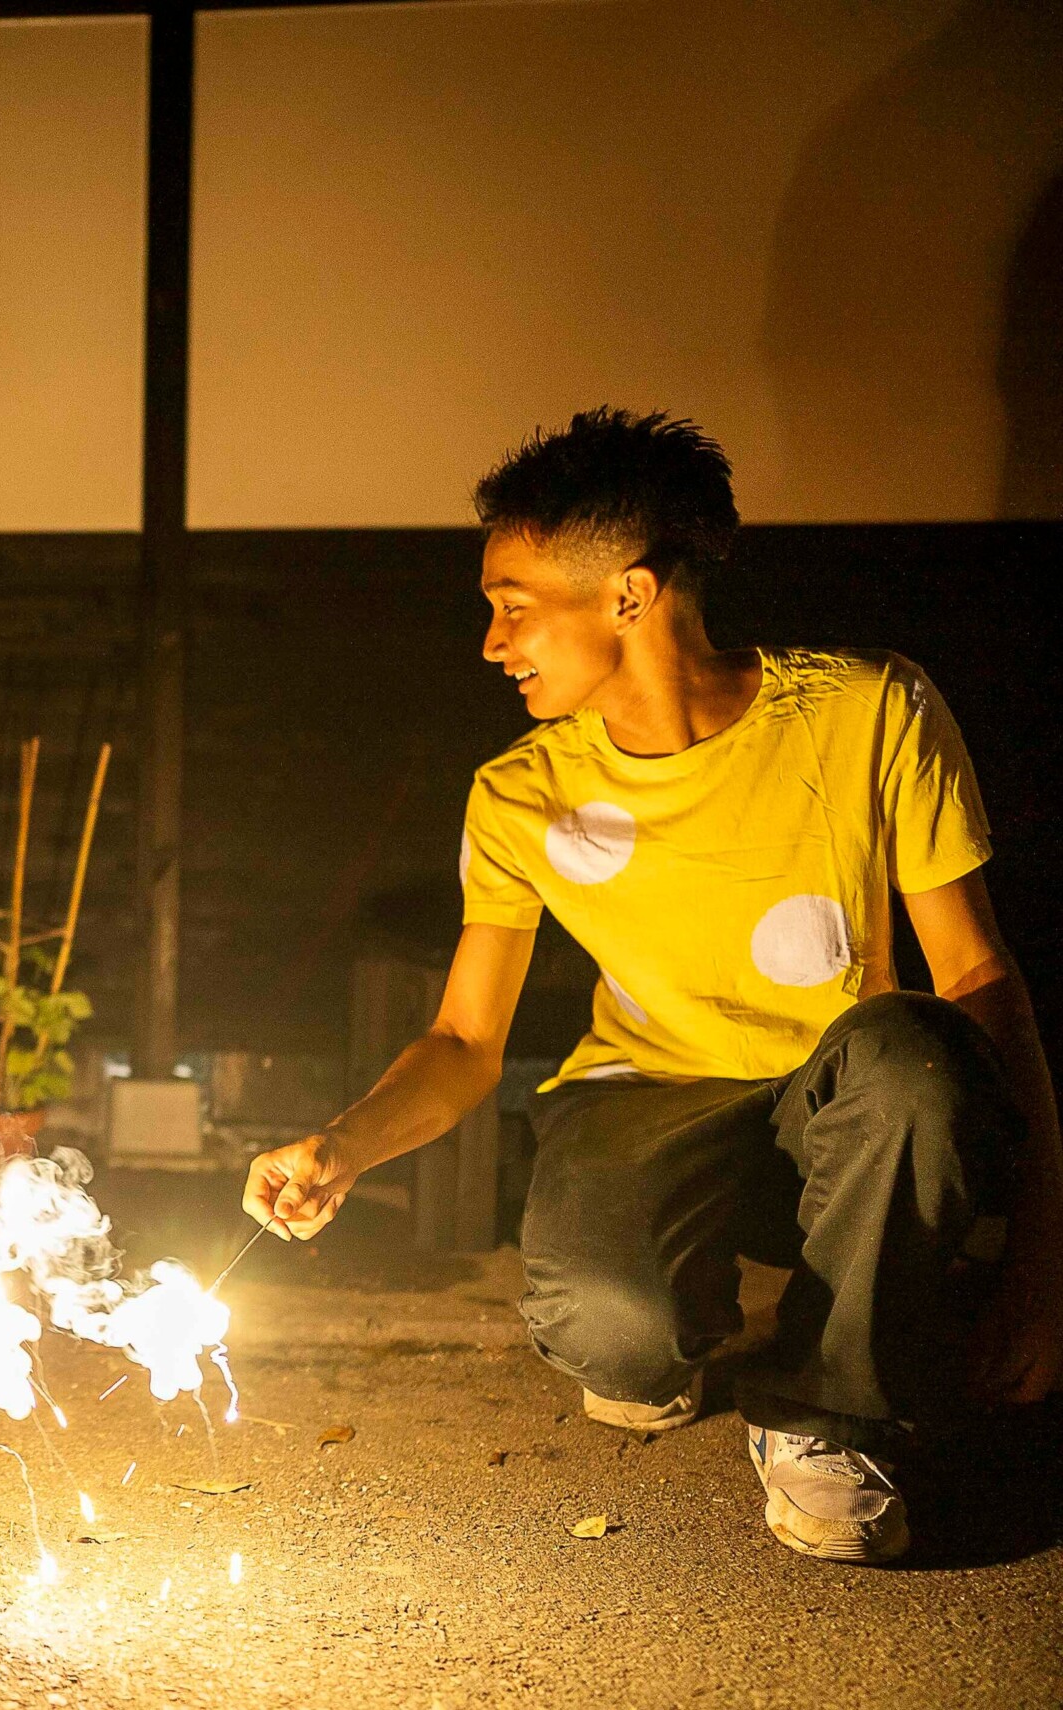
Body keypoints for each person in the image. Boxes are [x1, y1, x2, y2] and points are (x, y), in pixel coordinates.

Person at [243, 409, 1062, 1563]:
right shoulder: (520, 794)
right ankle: (686, 1312)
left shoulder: (870, 710)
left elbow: (981, 983)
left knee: (915, 1054)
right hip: (643, 1101)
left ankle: (824, 1409)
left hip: (844, 1109)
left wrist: (1041, 1269)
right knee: (614, 1349)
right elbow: (467, 1041)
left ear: (627, 595)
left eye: (512, 606)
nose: (491, 642)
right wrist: (341, 1145)